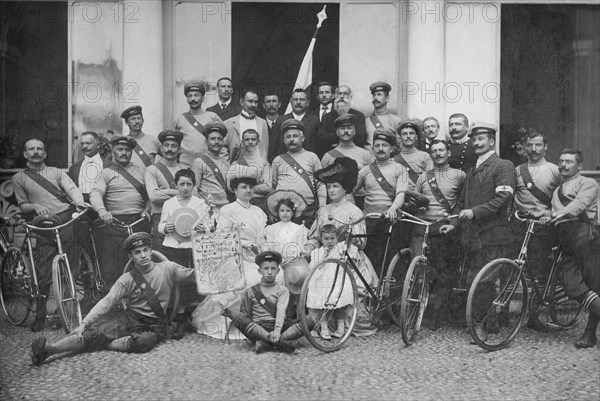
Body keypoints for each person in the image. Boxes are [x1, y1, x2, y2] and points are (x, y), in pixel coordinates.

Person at [30, 232, 196, 365]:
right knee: (92, 333)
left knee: (144, 342)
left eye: (146, 250)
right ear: (131, 256)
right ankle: (49, 350)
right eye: (137, 252)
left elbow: (195, 276)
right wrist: (83, 324)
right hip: (130, 319)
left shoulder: (168, 268)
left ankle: (106, 343)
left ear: (151, 250)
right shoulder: (127, 279)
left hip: (154, 325)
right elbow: (106, 302)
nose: (143, 255)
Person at [13, 138, 88, 331]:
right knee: (43, 271)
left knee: (71, 266)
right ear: (25, 154)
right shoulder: (18, 178)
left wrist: (78, 201)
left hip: (65, 219)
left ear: (45, 153)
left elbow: (71, 188)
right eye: (31, 149)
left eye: (40, 149)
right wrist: (34, 206)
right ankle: (40, 313)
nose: (36, 152)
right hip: (42, 224)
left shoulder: (57, 172)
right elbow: (22, 204)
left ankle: (66, 310)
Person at [455, 122, 516, 333]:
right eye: (474, 139)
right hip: (474, 235)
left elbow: (503, 198)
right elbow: (463, 201)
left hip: (495, 234)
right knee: (476, 280)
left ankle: (488, 324)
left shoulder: (503, 165)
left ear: (492, 141)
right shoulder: (472, 169)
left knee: (486, 281)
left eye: (481, 139)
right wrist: (452, 222)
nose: (476, 142)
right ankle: (483, 321)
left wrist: (474, 212)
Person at [191, 175, 268, 340]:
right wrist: (243, 244)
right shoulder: (228, 210)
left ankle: (262, 322)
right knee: (251, 280)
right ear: (234, 190)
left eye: (251, 187)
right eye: (244, 187)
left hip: (256, 258)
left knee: (277, 274)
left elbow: (263, 237)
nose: (248, 190)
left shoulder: (259, 212)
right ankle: (237, 323)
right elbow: (222, 239)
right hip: (234, 258)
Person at [308, 157, 378, 335]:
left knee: (352, 281)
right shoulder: (323, 211)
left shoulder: (353, 211)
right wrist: (309, 247)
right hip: (326, 255)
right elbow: (316, 236)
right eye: (329, 186)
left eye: (335, 186)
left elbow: (362, 243)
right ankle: (323, 323)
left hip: (348, 255)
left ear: (345, 189)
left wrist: (349, 239)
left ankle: (344, 322)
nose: (331, 190)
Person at [540, 148, 599, 348]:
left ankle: (590, 334)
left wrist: (561, 213)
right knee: (571, 284)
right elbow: (553, 212)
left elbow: (581, 204)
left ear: (579, 166)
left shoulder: (588, 183)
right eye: (561, 161)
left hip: (586, 238)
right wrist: (546, 215)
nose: (563, 165)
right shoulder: (557, 191)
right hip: (566, 240)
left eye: (569, 161)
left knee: (594, 284)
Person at [411, 140, 466, 329]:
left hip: (445, 228)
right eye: (434, 151)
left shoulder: (459, 175)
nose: (438, 153)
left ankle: (438, 313)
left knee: (445, 271)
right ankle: (426, 309)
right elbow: (416, 199)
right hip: (425, 227)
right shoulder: (423, 177)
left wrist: (453, 222)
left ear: (448, 153)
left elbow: (463, 201)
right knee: (425, 269)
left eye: (441, 150)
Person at [90, 135, 151, 289]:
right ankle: (114, 299)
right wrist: (102, 211)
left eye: (128, 149)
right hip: (114, 223)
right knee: (112, 265)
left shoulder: (142, 171)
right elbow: (95, 193)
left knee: (142, 262)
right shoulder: (106, 172)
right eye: (120, 149)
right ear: (113, 151)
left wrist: (147, 210)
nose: (124, 152)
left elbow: (151, 198)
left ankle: (140, 298)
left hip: (139, 221)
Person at [221, 251, 304, 353]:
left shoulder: (283, 290)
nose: (269, 272)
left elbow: (281, 311)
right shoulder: (250, 291)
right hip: (258, 328)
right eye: (266, 268)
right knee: (239, 318)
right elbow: (244, 314)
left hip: (280, 326)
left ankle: (267, 344)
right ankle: (280, 343)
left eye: (273, 268)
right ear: (259, 271)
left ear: (278, 271)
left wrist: (277, 330)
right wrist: (230, 313)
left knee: (309, 321)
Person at [512, 130, 561, 290]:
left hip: (543, 226)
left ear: (545, 147)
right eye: (530, 145)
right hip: (521, 225)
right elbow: (512, 199)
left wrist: (552, 214)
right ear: (525, 147)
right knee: (519, 266)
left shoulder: (554, 170)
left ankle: (536, 306)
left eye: (538, 145)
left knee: (539, 268)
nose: (534, 148)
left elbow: (563, 197)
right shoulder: (518, 171)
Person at [354, 130, 409, 268]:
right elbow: (350, 191)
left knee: (388, 260)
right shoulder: (365, 170)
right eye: (377, 145)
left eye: (384, 145)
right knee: (368, 259)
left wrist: (393, 208)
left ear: (391, 148)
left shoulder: (400, 169)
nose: (380, 149)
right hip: (369, 221)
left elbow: (401, 194)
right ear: (372, 148)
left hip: (390, 220)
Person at [272, 119, 326, 228]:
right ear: (283, 140)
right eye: (288, 137)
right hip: (284, 211)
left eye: (295, 136)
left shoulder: (312, 157)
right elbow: (273, 186)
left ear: (303, 138)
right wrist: (272, 210)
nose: (292, 139)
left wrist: (322, 207)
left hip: (307, 211)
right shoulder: (277, 160)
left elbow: (320, 184)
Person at [306, 224, 351, 340]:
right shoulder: (317, 252)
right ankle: (324, 327)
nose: (330, 241)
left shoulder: (340, 249)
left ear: (337, 238)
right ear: (321, 239)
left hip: (337, 279)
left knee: (339, 302)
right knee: (322, 303)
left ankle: (341, 327)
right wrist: (324, 256)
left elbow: (349, 245)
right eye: (326, 239)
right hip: (322, 280)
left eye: (332, 238)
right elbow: (314, 267)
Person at [145, 129, 186, 252]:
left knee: (182, 259)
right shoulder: (152, 170)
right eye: (166, 145)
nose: (169, 149)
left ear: (179, 150)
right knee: (162, 259)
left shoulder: (184, 169)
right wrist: (180, 194)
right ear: (161, 148)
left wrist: (167, 191)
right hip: (161, 217)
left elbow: (193, 194)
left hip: (184, 217)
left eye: (174, 146)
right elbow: (154, 196)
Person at [321, 113, 374, 207]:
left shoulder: (365, 154)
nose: (346, 131)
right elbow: (322, 185)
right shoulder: (328, 156)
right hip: (335, 203)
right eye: (342, 128)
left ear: (354, 131)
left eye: (349, 128)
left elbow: (372, 183)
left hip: (360, 202)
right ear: (337, 132)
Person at [172, 81, 223, 167]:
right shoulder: (179, 119)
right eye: (190, 96)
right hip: (185, 166)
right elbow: (171, 141)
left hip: (208, 165)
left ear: (202, 98)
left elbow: (225, 140)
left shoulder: (212, 117)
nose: (193, 99)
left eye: (196, 95)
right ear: (187, 99)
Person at [226, 129, 272, 214]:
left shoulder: (264, 163)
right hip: (241, 203)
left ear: (258, 142)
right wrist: (257, 183)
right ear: (242, 142)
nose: (250, 142)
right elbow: (230, 186)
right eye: (247, 139)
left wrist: (243, 187)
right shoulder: (236, 163)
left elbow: (268, 187)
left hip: (259, 203)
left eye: (253, 139)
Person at [191, 121, 233, 212]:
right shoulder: (199, 162)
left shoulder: (226, 162)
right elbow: (193, 190)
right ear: (206, 141)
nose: (216, 142)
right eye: (213, 139)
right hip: (208, 209)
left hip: (226, 209)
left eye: (220, 139)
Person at [317, 85, 367, 156]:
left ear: (350, 96)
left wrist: (335, 140)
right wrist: (348, 137)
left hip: (354, 155)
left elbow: (360, 138)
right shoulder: (327, 117)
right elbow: (323, 140)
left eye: (345, 94)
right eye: (340, 94)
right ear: (335, 96)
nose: (342, 96)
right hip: (333, 155)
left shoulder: (359, 116)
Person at [264, 189, 309, 267]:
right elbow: (269, 248)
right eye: (282, 210)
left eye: (288, 210)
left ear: (292, 212)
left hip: (294, 264)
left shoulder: (299, 229)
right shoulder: (271, 229)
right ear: (278, 212)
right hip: (276, 263)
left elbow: (301, 248)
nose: (285, 213)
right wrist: (278, 261)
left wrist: (292, 259)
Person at [223, 88, 269, 163]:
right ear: (241, 102)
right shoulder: (229, 123)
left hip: (257, 167)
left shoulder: (263, 123)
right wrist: (227, 167)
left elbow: (264, 149)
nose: (253, 105)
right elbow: (223, 150)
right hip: (236, 167)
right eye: (250, 101)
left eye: (256, 102)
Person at [270, 89, 320, 157]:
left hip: (307, 162)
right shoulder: (281, 120)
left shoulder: (314, 120)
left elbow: (318, 146)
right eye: (295, 99)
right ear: (291, 102)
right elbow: (273, 146)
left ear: (307, 102)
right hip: (285, 162)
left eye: (302, 99)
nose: (298, 102)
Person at [121, 105, 161, 172]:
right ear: (126, 122)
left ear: (143, 121)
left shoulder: (153, 140)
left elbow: (168, 157)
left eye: (139, 118)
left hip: (148, 180)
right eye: (133, 119)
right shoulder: (123, 142)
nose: (137, 121)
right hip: (130, 180)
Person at [365, 81, 402, 149]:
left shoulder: (395, 121)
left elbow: (399, 145)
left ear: (387, 98)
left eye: (379, 95)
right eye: (374, 95)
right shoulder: (366, 122)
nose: (375, 98)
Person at [394, 120, 433, 185]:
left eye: (411, 133)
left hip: (420, 194)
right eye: (405, 134)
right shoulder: (395, 160)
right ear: (400, 138)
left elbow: (430, 180)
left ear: (416, 137)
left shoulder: (425, 156)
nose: (408, 136)